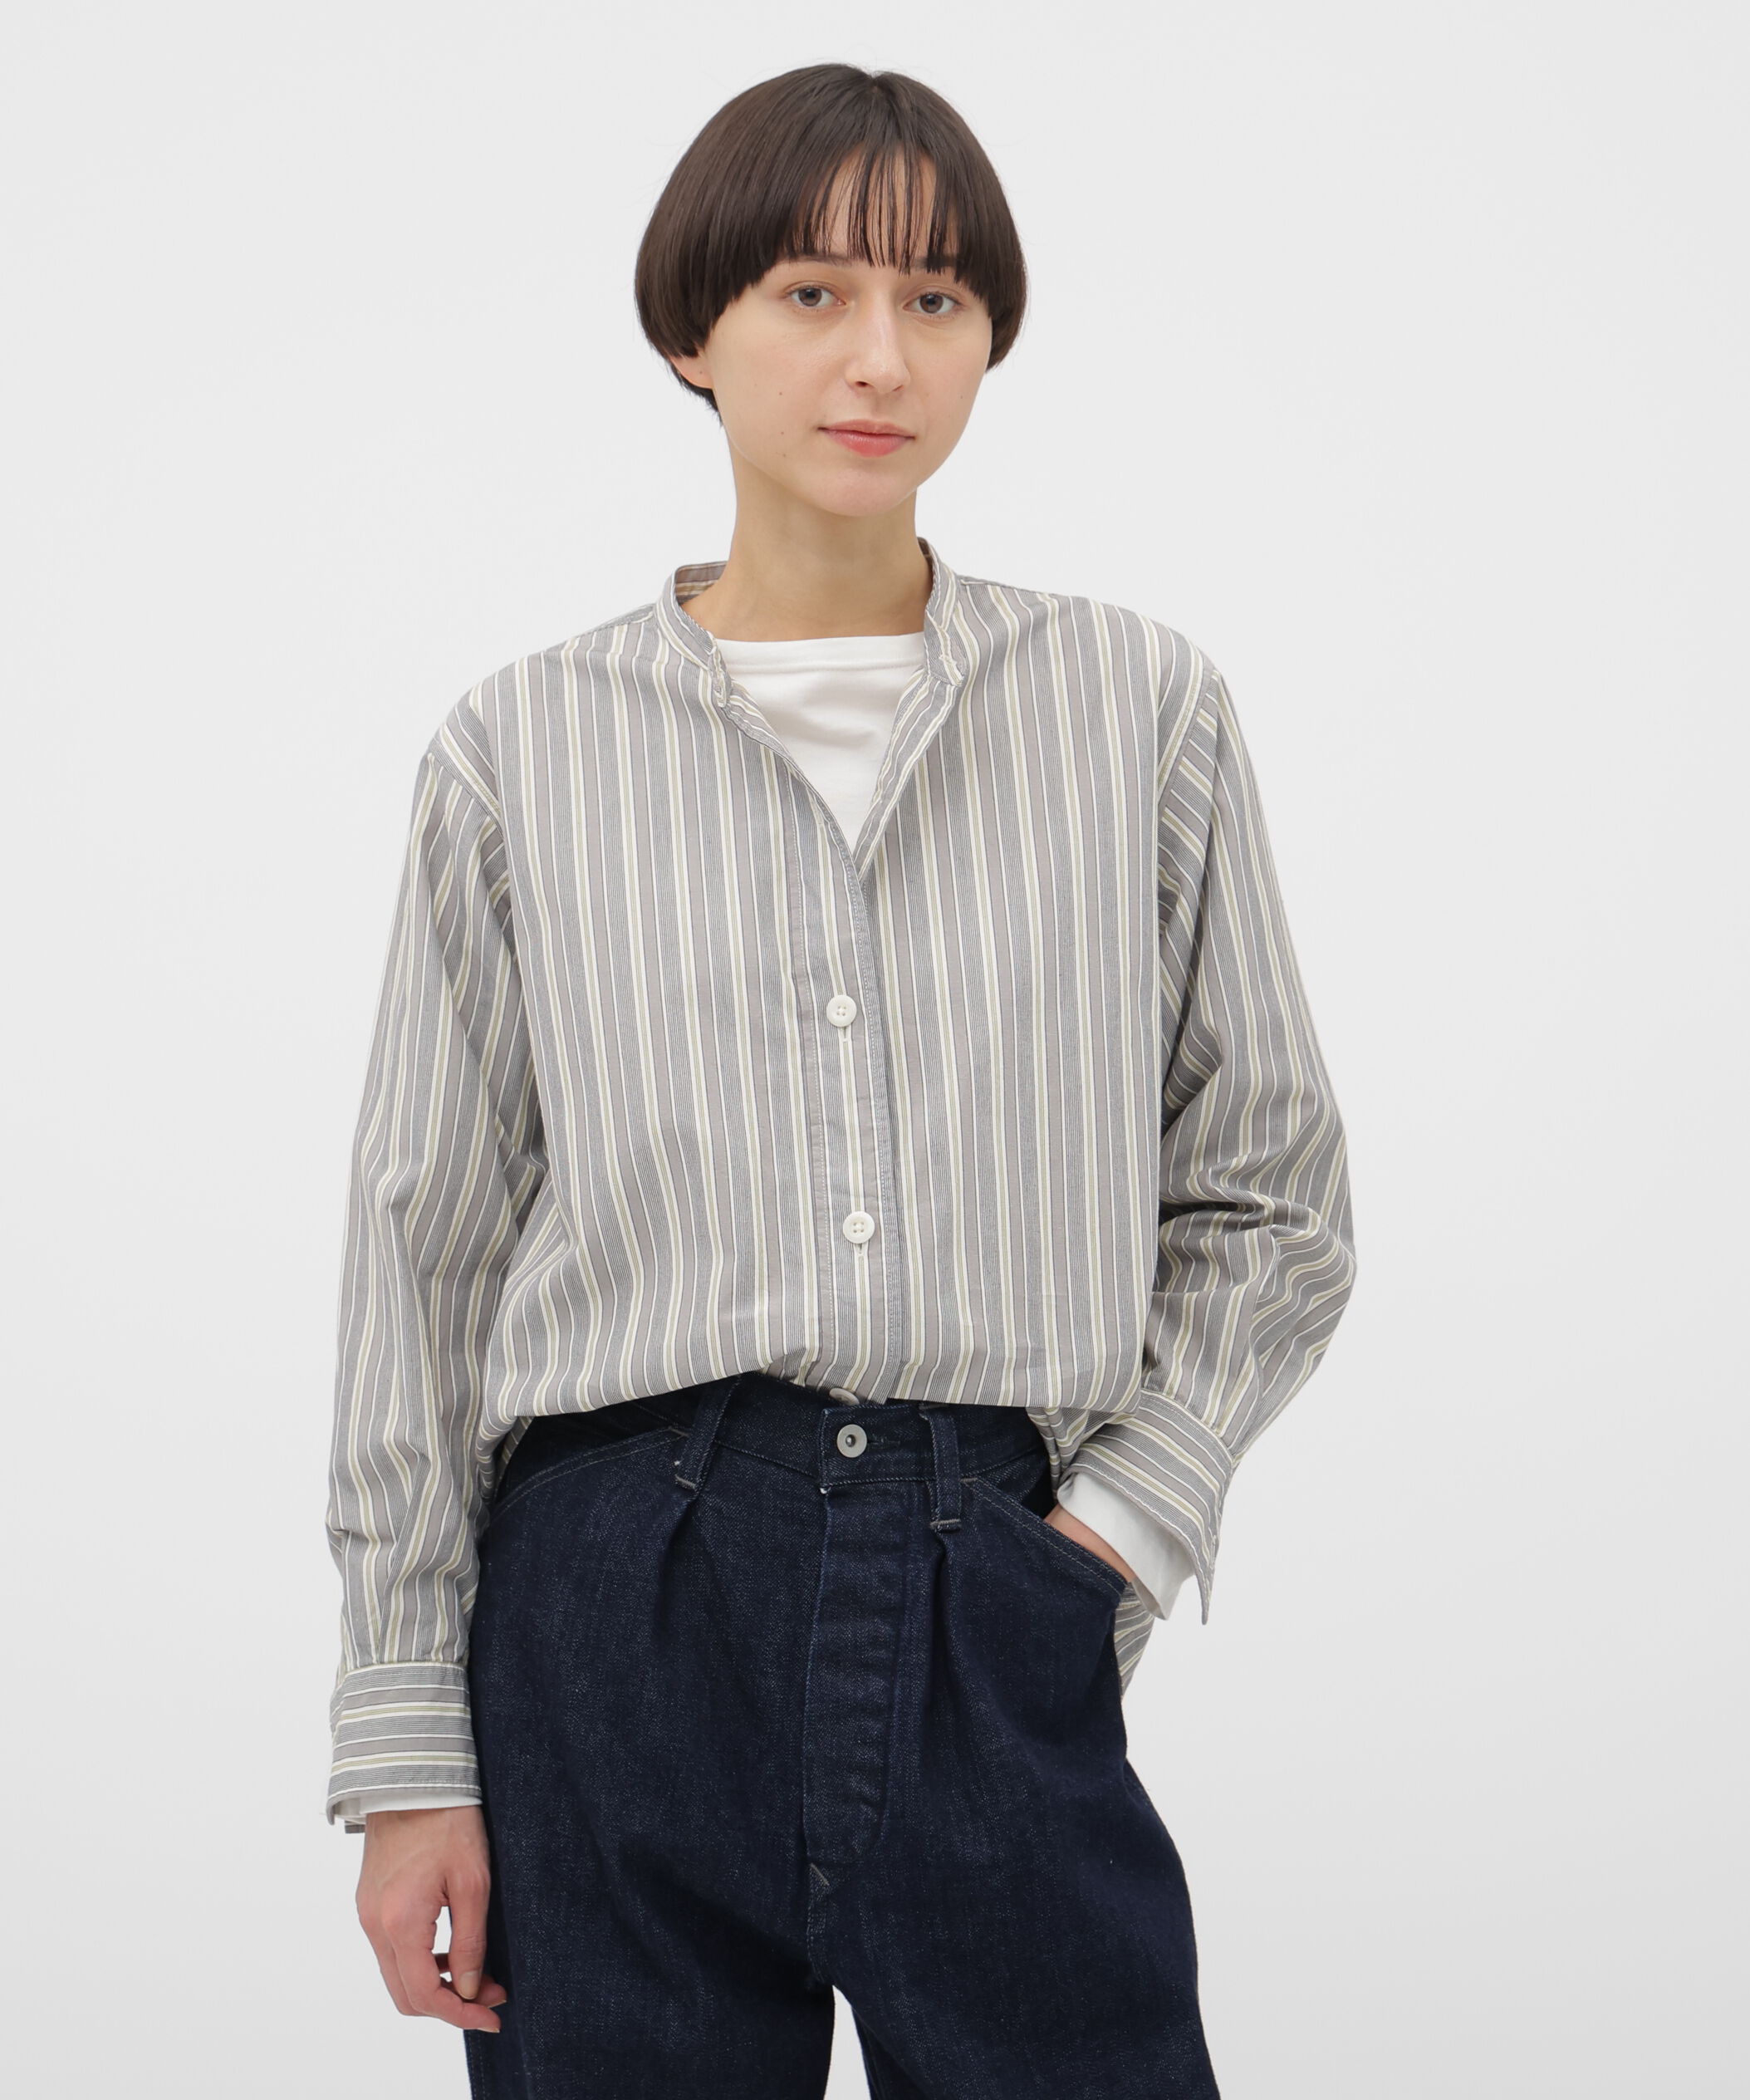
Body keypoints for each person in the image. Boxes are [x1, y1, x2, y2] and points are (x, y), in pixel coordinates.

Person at [325, 61, 1355, 2100]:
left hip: (999, 1562)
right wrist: (407, 1742)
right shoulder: (519, 751)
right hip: (613, 1593)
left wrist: (1107, 1535)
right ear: (690, 333)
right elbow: (424, 1261)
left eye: (937, 299)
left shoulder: (1133, 708)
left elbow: (1270, 1192)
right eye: (812, 292)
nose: (881, 356)